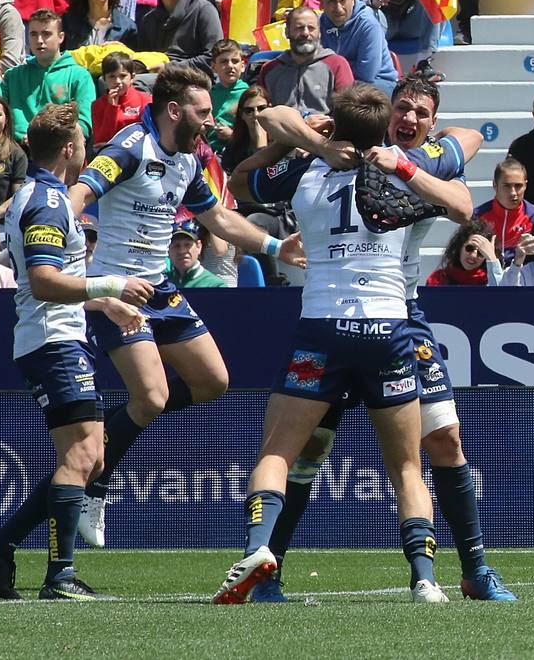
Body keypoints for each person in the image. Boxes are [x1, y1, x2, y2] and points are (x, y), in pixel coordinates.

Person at [211, 82, 471, 604]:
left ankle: (259, 549)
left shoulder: (307, 168)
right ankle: (424, 578)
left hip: (321, 328)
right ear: (386, 125)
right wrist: (400, 165)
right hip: (387, 329)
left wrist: (306, 142)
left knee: (279, 453)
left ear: (335, 123)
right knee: (406, 466)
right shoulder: (409, 166)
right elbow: (464, 201)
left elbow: (240, 181)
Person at [64, 63, 305, 549]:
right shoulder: (131, 147)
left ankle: (102, 444)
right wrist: (58, 250)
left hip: (161, 290)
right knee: (151, 398)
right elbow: (81, 193)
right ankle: (96, 483)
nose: (212, 120)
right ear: (175, 110)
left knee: (214, 381)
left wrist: (277, 248)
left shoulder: (190, 159)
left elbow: (217, 217)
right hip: (119, 290)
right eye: (204, 111)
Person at [0, 103, 153, 602]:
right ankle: (59, 575)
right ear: (70, 149)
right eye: (84, 144)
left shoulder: (37, 196)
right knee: (83, 456)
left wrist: (105, 302)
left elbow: (48, 279)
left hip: (59, 336)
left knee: (91, 459)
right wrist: (113, 281)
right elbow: (46, 282)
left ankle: (2, 546)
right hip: (52, 341)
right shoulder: (48, 203)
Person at [0, 9, 96, 141]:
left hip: (58, 150)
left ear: (61, 37)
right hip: (16, 149)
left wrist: (44, 140)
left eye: (46, 34)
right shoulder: (13, 75)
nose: (39, 40)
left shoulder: (79, 76)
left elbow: (83, 126)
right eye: (33, 34)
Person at [255, 7, 354, 116]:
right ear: (287, 32)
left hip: (324, 130)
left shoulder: (337, 65)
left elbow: (348, 111)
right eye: (299, 28)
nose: (305, 33)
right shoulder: (270, 69)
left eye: (311, 28)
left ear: (319, 33)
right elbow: (258, 109)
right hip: (280, 130)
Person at [135, 0, 221, 74]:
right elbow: (142, 58)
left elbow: (215, 56)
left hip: (195, 79)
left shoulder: (204, 10)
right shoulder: (148, 20)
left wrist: (170, 68)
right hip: (156, 79)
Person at [319, 0, 394, 93]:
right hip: (336, 84)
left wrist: (336, 69)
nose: (338, 8)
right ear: (321, 4)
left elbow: (366, 74)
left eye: (343, 0)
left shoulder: (368, 24)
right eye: (331, 1)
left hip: (378, 84)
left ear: (353, 0)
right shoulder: (318, 24)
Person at [474, 156, 534, 260]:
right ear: (495, 185)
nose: (513, 193)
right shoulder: (478, 216)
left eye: (518, 186)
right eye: (507, 186)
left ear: (525, 186)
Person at [91, 52, 152, 147]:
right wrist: (112, 108)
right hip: (112, 153)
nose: (117, 81)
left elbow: (152, 134)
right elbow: (100, 142)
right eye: (112, 76)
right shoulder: (98, 105)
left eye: (123, 76)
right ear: (104, 79)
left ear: (132, 77)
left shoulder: (145, 100)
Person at [427, 219, 501, 285]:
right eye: (469, 248)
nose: (473, 255)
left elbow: (500, 296)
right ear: (460, 247)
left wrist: (492, 258)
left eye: (481, 253)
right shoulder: (437, 280)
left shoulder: (490, 282)